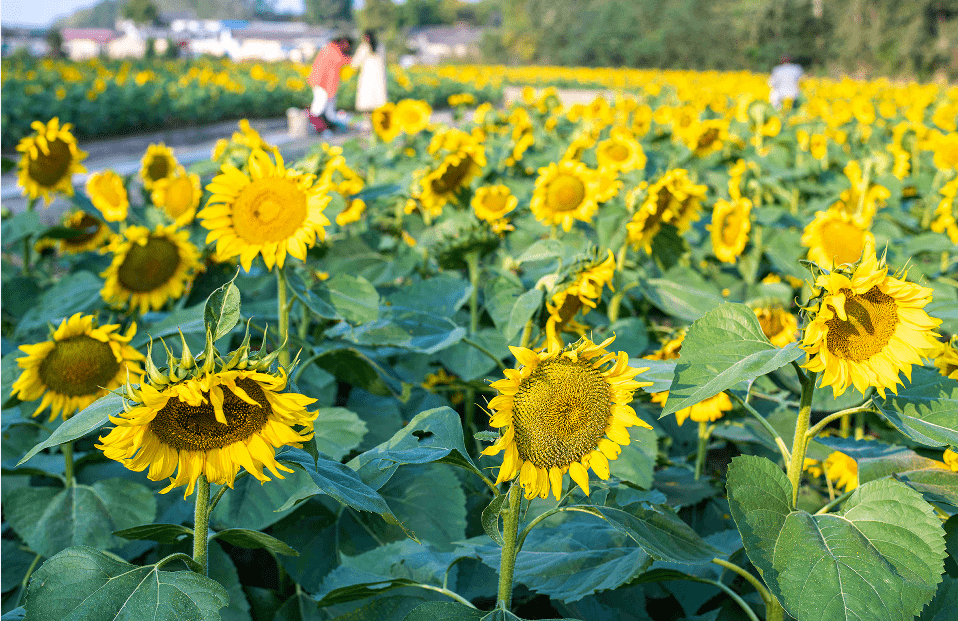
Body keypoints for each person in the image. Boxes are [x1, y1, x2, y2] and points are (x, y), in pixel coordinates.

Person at [307, 36, 353, 132]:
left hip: (324, 84)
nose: (348, 48)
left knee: (329, 111)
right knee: (318, 107)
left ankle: (324, 128)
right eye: (347, 45)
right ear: (343, 42)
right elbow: (345, 61)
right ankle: (315, 128)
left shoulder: (330, 49)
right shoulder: (332, 50)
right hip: (321, 83)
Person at [351, 30, 388, 124]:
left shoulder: (364, 47)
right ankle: (379, 123)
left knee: (366, 104)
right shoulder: (381, 46)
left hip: (367, 77)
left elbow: (354, 63)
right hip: (379, 77)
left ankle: (367, 124)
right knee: (378, 102)